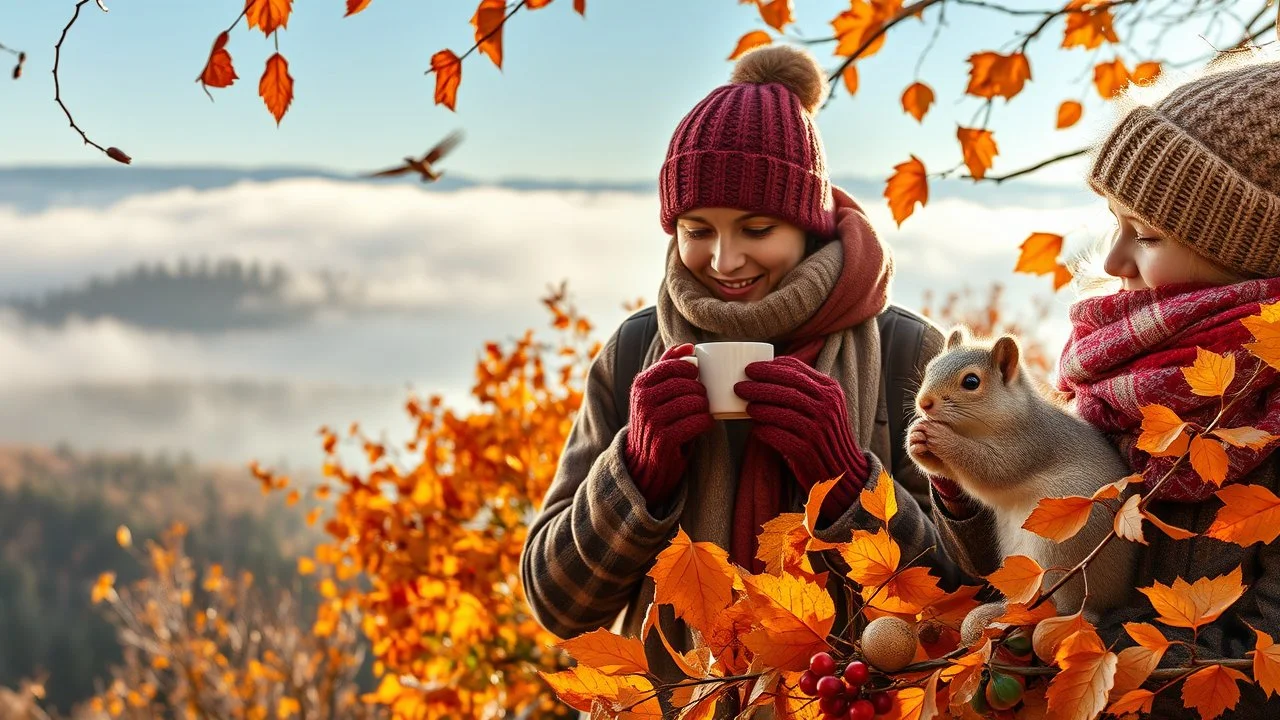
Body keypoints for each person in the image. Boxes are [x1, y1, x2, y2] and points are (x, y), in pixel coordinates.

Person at [519, 44, 964, 687]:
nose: (724, 261)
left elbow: (965, 602)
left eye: (756, 229)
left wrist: (846, 483)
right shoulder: (631, 354)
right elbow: (557, 604)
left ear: (807, 226)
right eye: (697, 229)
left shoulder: (907, 356)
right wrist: (638, 473)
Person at [929, 52, 1280, 718]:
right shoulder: (1124, 372)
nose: (1113, 261)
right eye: (1114, 222)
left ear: (1250, 259)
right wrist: (964, 478)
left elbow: (1268, 669)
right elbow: (1030, 558)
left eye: (1145, 235)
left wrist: (1083, 652)